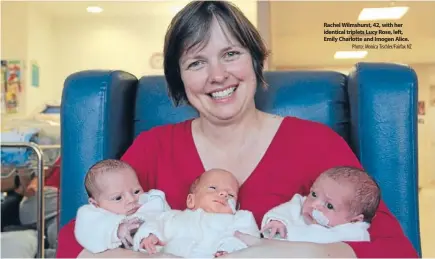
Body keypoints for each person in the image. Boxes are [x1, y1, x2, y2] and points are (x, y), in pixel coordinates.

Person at [56, 1, 418, 258]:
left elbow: (396, 250)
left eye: (231, 54)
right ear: (179, 81)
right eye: (197, 62)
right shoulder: (153, 148)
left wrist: (282, 253)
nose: (217, 76)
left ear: (256, 62)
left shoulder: (317, 144)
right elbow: (72, 243)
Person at [135, 169, 260, 258]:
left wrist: (230, 250)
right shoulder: (172, 217)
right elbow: (154, 223)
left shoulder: (239, 219)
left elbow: (250, 239)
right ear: (191, 200)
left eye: (231, 195)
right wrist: (149, 236)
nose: (224, 194)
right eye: (213, 188)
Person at [261, 166, 380, 243]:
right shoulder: (300, 205)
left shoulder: (354, 233)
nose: (315, 205)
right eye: (313, 194)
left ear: (354, 220)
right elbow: (284, 212)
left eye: (329, 206)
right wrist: (278, 222)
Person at [74, 159, 170, 253]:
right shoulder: (93, 215)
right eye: (118, 198)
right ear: (96, 204)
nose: (132, 199)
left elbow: (167, 221)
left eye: (136, 191)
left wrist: (153, 235)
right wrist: (117, 230)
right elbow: (87, 232)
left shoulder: (152, 202)